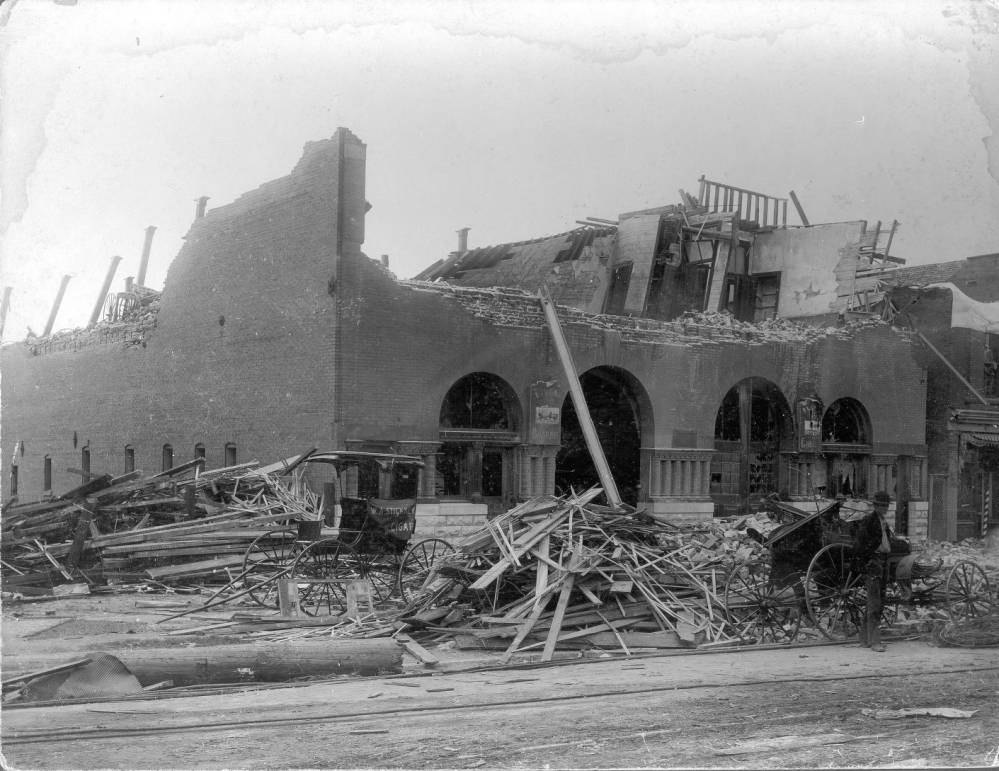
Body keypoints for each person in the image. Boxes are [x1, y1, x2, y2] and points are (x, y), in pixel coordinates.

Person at [854, 491, 893, 652]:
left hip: (882, 562)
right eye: (881, 505)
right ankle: (875, 642)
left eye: (885, 506)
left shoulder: (883, 522)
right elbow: (860, 544)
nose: (883, 508)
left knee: (876, 602)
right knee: (875, 603)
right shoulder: (869, 521)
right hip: (874, 563)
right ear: (875, 506)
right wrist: (869, 560)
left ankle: (864, 639)